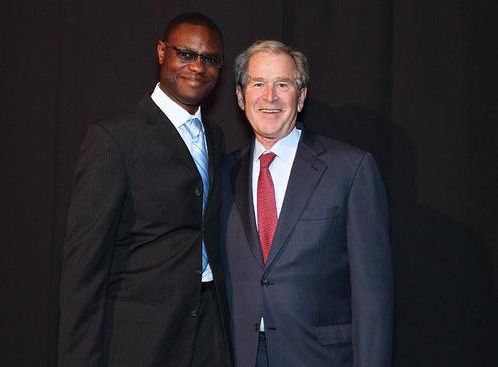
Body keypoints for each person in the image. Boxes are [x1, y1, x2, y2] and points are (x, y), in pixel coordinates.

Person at [58, 12, 232, 367]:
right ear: (161, 52)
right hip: (140, 340)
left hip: (209, 336)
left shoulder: (215, 137)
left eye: (210, 59)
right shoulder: (113, 139)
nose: (198, 67)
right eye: (186, 54)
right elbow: (83, 270)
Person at [220, 40, 394, 367]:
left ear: (300, 97)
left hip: (321, 357)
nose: (269, 96)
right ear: (241, 97)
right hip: (242, 356)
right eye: (258, 83)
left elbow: (374, 295)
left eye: (282, 84)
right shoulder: (225, 173)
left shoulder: (350, 169)